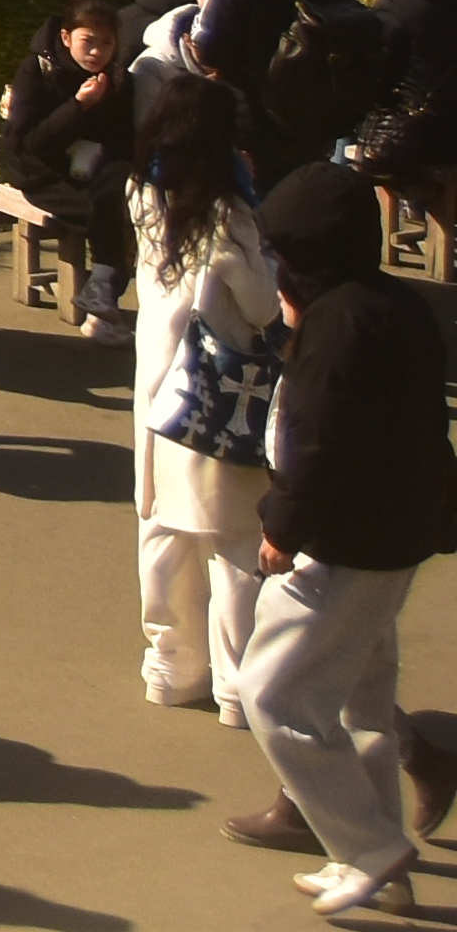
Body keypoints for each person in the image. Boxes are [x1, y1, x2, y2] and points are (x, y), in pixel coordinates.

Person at [243, 157, 457, 910]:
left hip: (347, 542)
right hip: (399, 531)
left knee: (273, 695)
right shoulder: (393, 304)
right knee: (360, 698)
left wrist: (281, 529)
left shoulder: (334, 327)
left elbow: (317, 445)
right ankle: (379, 868)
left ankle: (370, 847)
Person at [130, 72, 280, 723]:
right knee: (233, 547)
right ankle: (236, 683)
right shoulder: (230, 215)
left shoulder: (142, 195)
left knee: (162, 535)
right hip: (216, 397)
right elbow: (264, 304)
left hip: (157, 393)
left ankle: (170, 664)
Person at [9, 0, 143, 333]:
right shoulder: (38, 69)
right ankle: (101, 304)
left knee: (126, 194)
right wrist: (79, 106)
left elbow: (120, 143)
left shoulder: (117, 79)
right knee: (102, 212)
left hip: (90, 166)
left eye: (107, 43)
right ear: (67, 37)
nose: (97, 51)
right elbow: (31, 143)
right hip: (38, 168)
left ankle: (101, 292)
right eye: (88, 41)